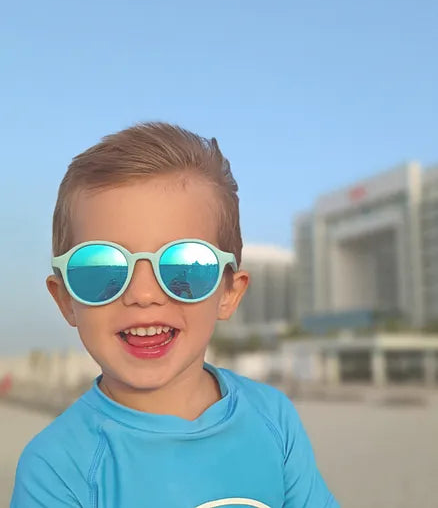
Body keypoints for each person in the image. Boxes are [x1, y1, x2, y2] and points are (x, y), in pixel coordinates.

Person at [10, 123, 340, 507]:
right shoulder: (55, 469)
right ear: (65, 299)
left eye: (184, 266)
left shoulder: (273, 418)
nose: (143, 294)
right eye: (101, 270)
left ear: (229, 293)